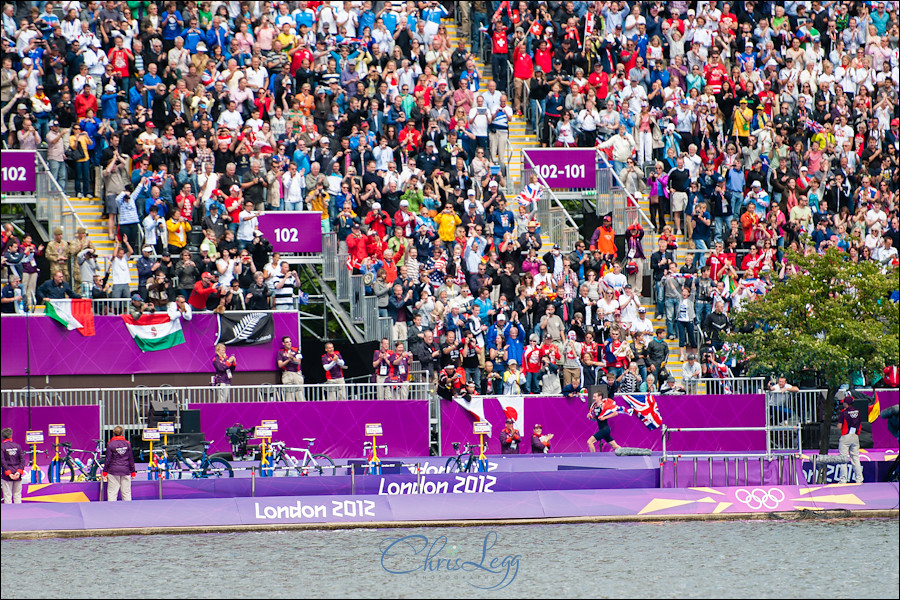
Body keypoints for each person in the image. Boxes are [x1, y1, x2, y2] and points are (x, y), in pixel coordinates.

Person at [102, 425, 136, 501]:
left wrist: (105, 472)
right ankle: (128, 509)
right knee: (126, 492)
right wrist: (133, 471)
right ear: (122, 433)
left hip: (113, 470)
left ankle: (111, 510)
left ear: (114, 433)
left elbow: (108, 459)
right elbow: (131, 458)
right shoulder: (127, 444)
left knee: (112, 492)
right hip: (125, 470)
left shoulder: (110, 444)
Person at [837, 395, 864, 484]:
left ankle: (843, 480)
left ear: (846, 403)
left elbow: (839, 427)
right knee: (855, 458)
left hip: (845, 436)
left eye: (844, 402)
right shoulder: (858, 412)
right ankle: (859, 479)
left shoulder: (843, 412)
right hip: (855, 436)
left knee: (843, 459)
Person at [1, 427, 25, 504]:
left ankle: (9, 514)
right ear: (11, 435)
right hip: (17, 473)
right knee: (17, 496)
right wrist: (18, 472)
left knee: (7, 496)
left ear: (2, 436)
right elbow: (22, 460)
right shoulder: (17, 446)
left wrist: (9, 473)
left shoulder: (2, 447)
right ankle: (19, 514)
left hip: (6, 475)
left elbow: (2, 461)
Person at [277, 335, 304, 402]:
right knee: (289, 394)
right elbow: (280, 365)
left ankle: (302, 408)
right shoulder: (281, 352)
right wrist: (288, 359)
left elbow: (299, 362)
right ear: (283, 343)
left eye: (290, 341)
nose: (289, 343)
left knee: (300, 394)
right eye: (287, 342)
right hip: (287, 373)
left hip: (296, 373)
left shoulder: (296, 350)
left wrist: (292, 358)